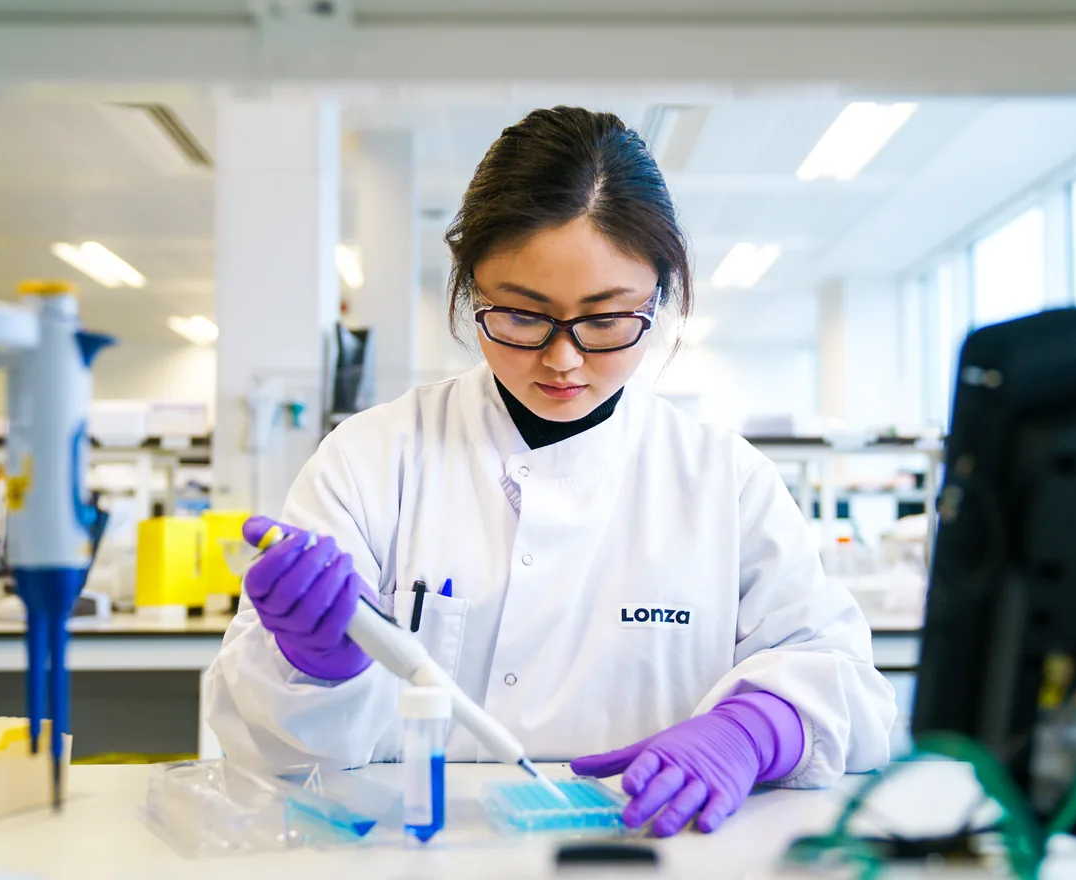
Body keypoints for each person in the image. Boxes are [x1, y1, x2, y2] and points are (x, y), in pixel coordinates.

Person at [205, 106, 897, 837]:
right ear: (472, 289)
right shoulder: (373, 458)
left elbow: (844, 683)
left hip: (650, 851)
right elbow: (265, 751)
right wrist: (313, 669)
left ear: (658, 297)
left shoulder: (723, 480)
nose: (561, 359)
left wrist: (754, 728)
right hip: (422, 853)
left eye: (604, 320)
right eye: (522, 316)